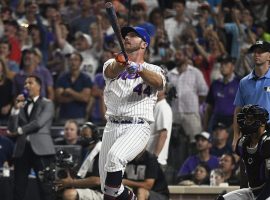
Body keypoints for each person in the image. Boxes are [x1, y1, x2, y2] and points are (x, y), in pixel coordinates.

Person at [99, 26, 166, 199]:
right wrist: (123, 63)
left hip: (137, 126)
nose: (127, 38)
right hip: (111, 126)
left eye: (133, 36)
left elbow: (159, 83)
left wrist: (139, 69)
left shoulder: (154, 69)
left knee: (115, 158)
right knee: (107, 188)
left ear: (144, 44)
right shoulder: (113, 63)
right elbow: (110, 71)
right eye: (125, 35)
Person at [7, 75, 56, 200]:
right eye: (25, 83)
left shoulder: (47, 103)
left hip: (42, 150)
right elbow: (11, 129)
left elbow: (39, 123)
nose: (26, 85)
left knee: (45, 188)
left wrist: (20, 130)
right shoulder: (21, 105)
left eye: (30, 82)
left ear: (39, 86)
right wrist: (15, 110)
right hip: (22, 150)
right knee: (18, 188)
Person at [217, 105, 270, 200]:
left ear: (262, 122)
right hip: (252, 190)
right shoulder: (243, 143)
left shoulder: (267, 143)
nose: (246, 122)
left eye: (251, 119)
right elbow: (247, 170)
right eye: (245, 119)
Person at [232, 40, 270, 149]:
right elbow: (238, 110)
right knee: (249, 165)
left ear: (269, 56)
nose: (257, 54)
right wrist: (235, 137)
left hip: (268, 129)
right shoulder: (244, 82)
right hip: (249, 131)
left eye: (261, 51)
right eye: (255, 51)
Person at [55, 122, 103, 200]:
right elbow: (83, 175)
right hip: (92, 189)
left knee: (69, 194)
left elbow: (97, 180)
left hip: (102, 192)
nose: (82, 138)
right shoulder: (88, 151)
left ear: (94, 136)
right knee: (59, 188)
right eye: (81, 136)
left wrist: (71, 182)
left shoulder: (101, 151)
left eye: (86, 136)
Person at [146, 86, 173, 169]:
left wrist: (155, 158)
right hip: (148, 158)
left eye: (159, 87)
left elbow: (163, 134)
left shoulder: (163, 107)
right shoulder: (154, 106)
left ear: (165, 91)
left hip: (156, 160)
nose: (154, 90)